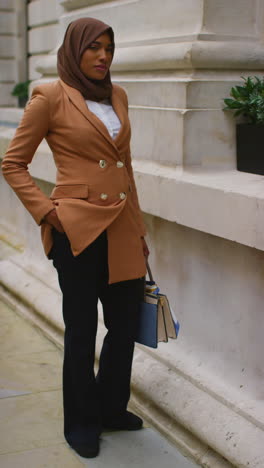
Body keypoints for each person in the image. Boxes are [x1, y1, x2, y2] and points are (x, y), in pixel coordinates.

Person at [1, 17, 149, 459]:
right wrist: (49, 213)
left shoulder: (118, 95)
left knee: (123, 327)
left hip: (122, 228)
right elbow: (13, 163)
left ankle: (109, 409)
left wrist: (140, 231)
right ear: (74, 50)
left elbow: (125, 170)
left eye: (109, 48)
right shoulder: (50, 95)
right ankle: (81, 422)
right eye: (93, 48)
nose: (103, 56)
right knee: (82, 331)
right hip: (77, 231)